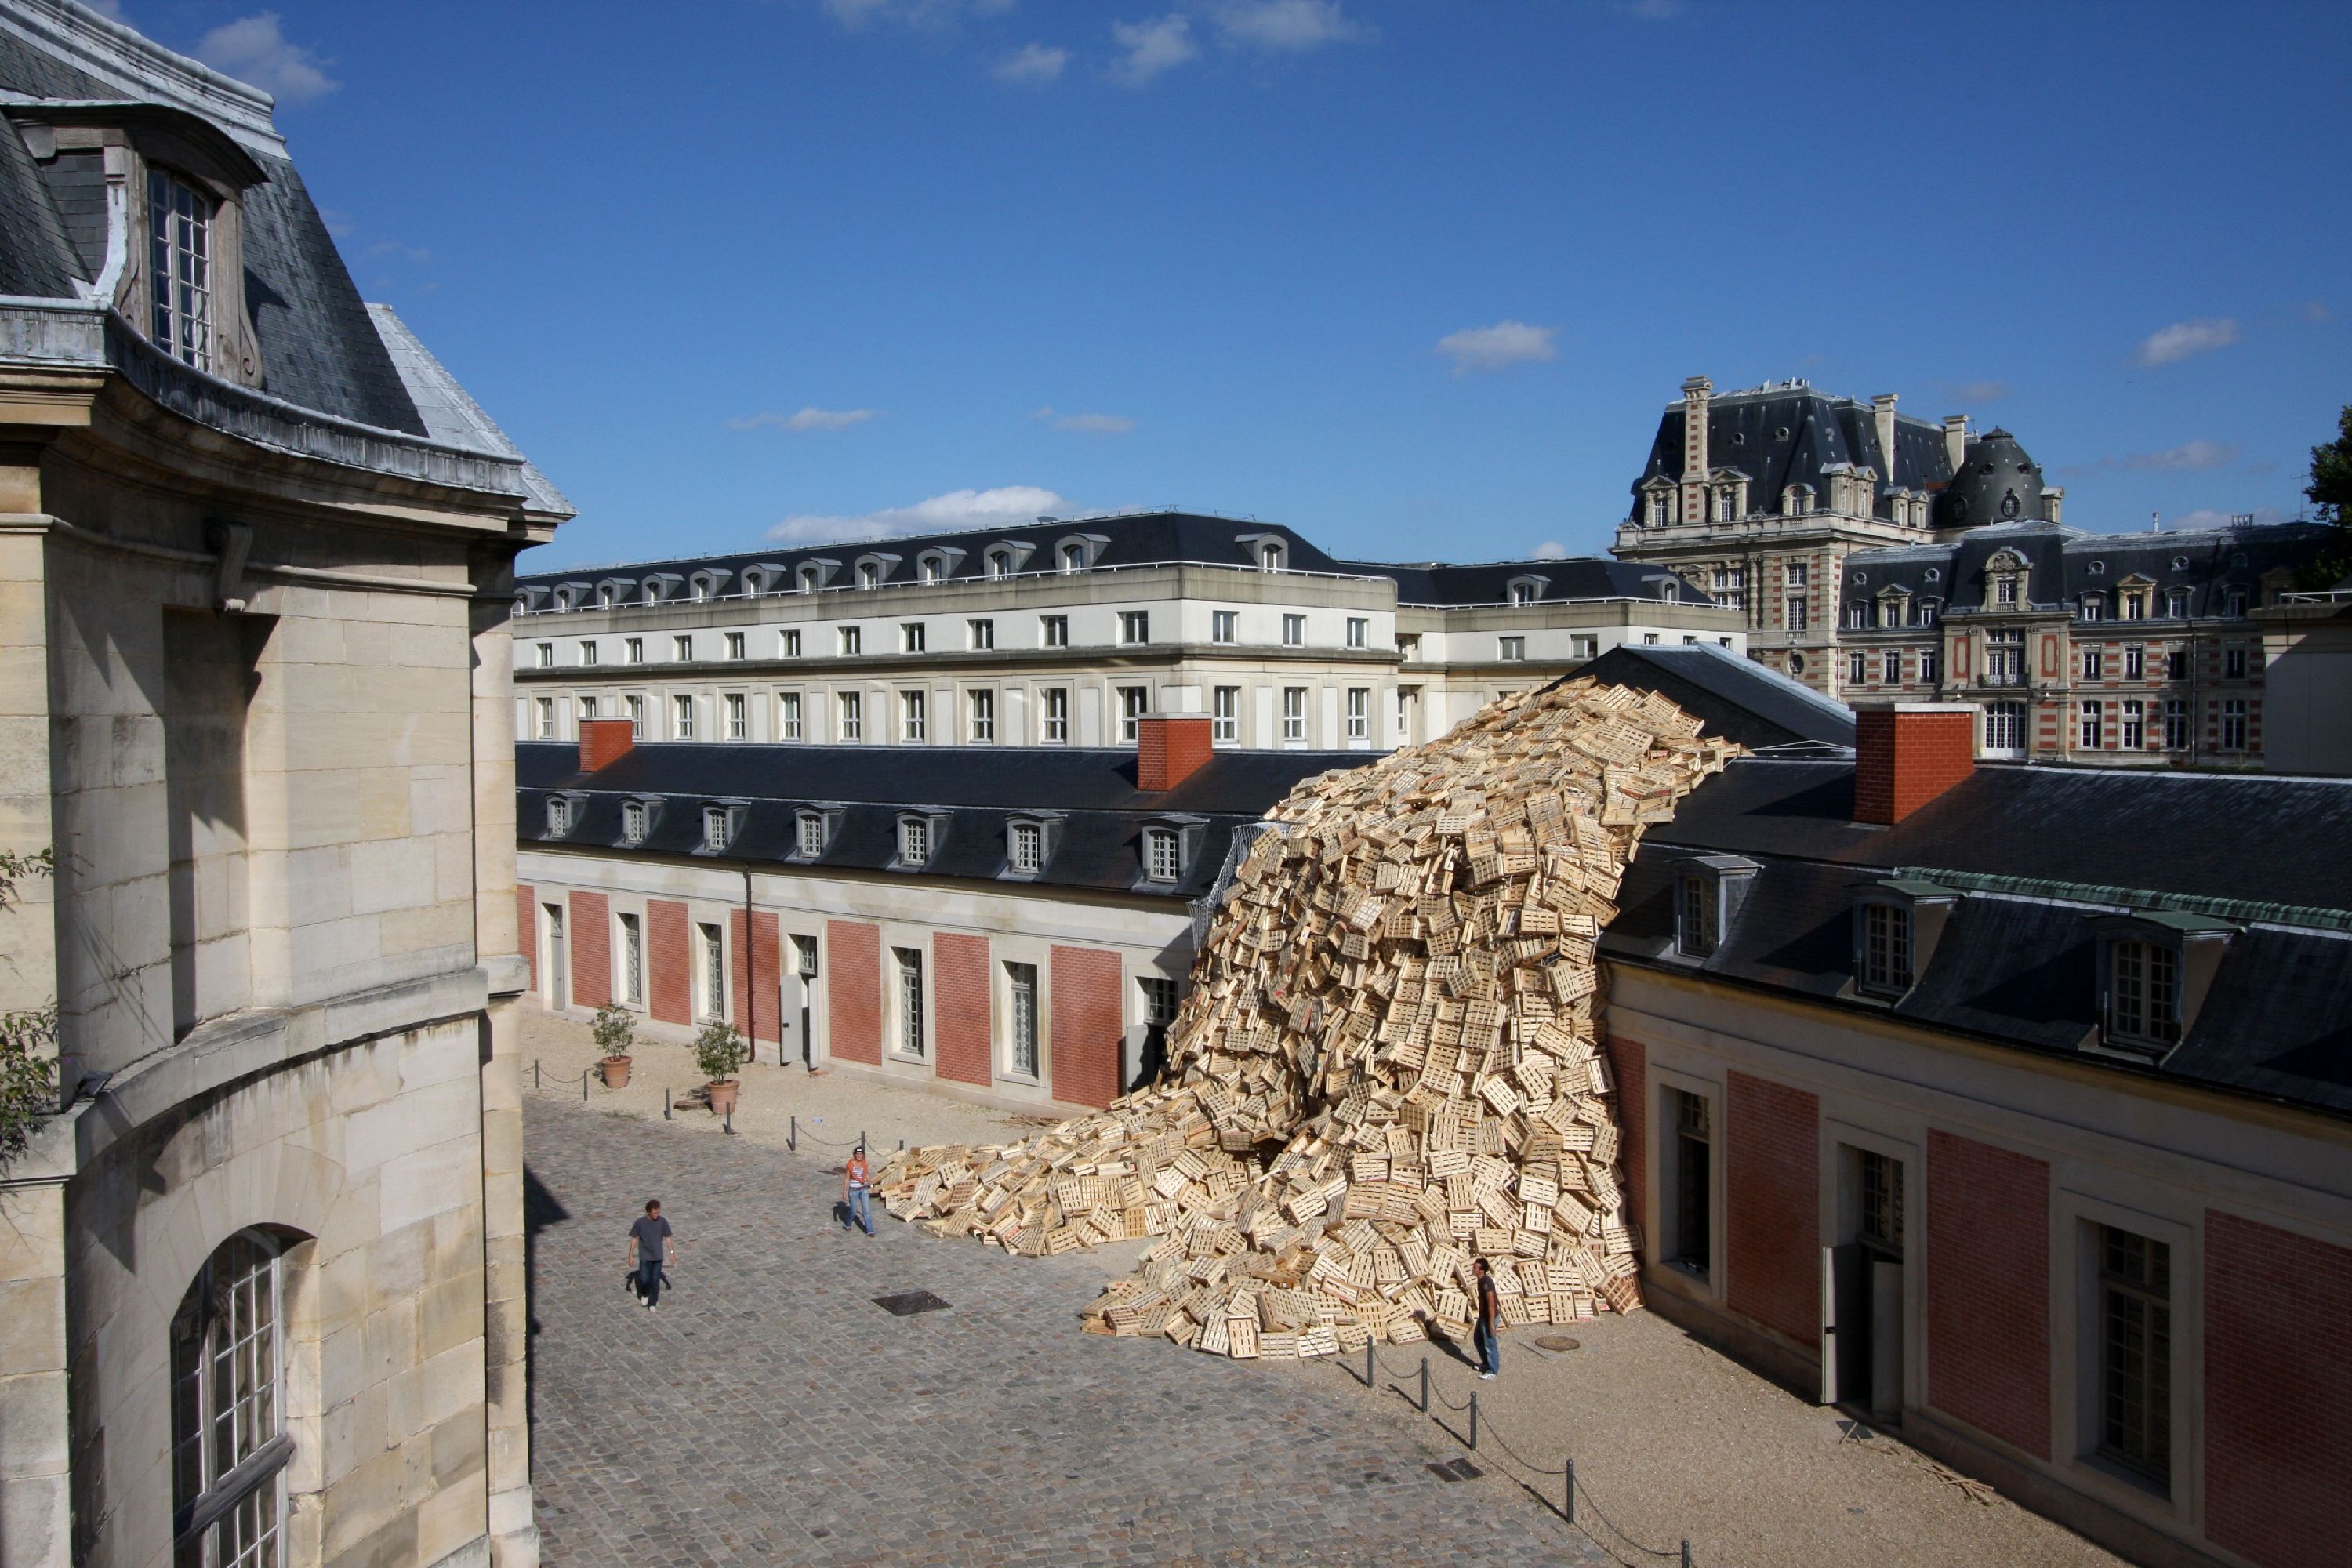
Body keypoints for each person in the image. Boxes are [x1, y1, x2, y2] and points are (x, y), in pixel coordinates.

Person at [628, 1200, 677, 1311]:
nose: (657, 1215)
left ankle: (652, 1303)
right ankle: (645, 1294)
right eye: (655, 1213)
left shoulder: (663, 1222)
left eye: (658, 1212)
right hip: (645, 1256)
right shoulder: (640, 1223)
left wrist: (672, 1252)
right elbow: (634, 1239)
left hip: (658, 1257)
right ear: (649, 1212)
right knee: (645, 1279)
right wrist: (630, 1256)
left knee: (655, 1281)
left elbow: (668, 1237)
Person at [1472, 1257, 1500, 1379]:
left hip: (1489, 1318)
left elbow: (1492, 1304)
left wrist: (1490, 1324)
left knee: (1489, 1344)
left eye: (1475, 1267)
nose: (1472, 1269)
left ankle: (1492, 1370)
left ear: (1481, 1270)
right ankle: (1485, 1364)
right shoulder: (1480, 1280)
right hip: (1483, 1317)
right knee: (1478, 1339)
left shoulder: (1486, 1282)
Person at [842, 1144, 875, 1236]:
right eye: (858, 1154)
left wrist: (871, 1183)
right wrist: (844, 1192)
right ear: (855, 1155)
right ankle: (848, 1224)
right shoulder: (850, 1165)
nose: (859, 1156)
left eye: (861, 1154)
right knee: (853, 1211)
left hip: (863, 1189)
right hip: (853, 1190)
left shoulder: (865, 1163)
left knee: (866, 1211)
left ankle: (870, 1230)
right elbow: (847, 1179)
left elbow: (866, 1175)